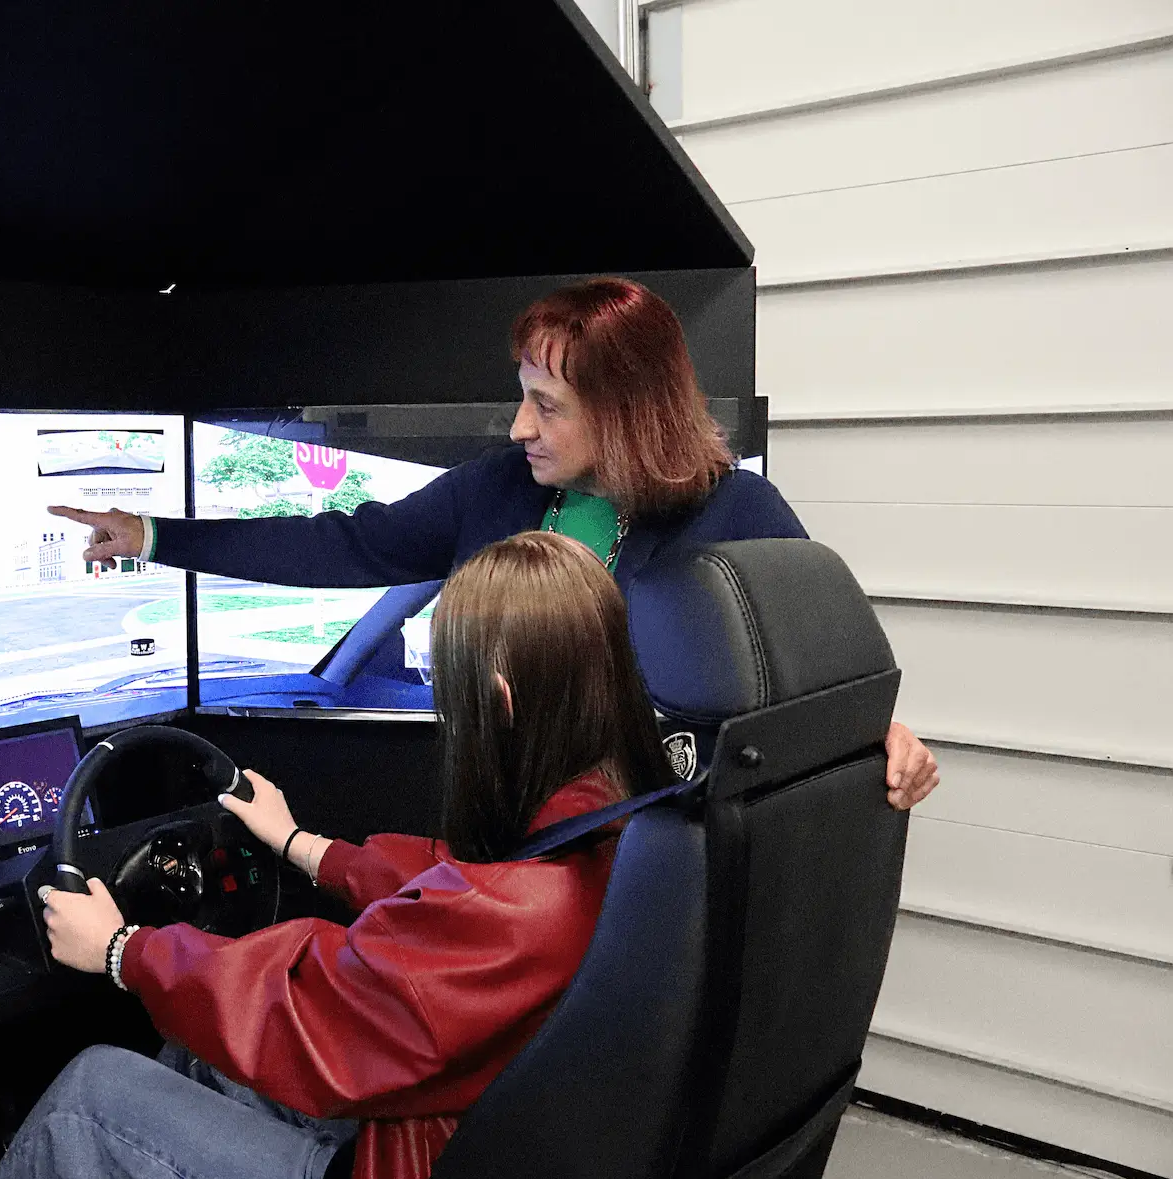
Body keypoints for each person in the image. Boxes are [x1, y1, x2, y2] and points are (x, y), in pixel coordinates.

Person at [0, 533, 680, 1179]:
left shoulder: (518, 911)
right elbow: (454, 883)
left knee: (84, 1103)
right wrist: (301, 844)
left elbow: (303, 1010)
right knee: (197, 1055)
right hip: (473, 1152)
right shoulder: (627, 827)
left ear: (500, 701)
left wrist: (123, 949)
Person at [50, 276, 938, 811]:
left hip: (650, 858)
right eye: (523, 397)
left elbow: (824, 679)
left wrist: (883, 735)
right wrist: (153, 534)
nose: (519, 427)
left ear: (626, 413)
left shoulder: (739, 512)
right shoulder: (500, 489)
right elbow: (345, 547)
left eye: (547, 406)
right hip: (516, 844)